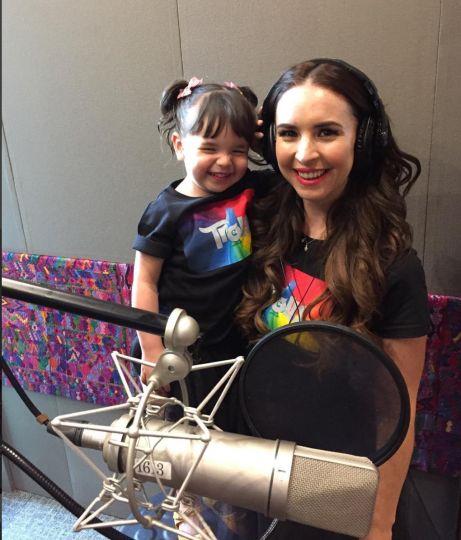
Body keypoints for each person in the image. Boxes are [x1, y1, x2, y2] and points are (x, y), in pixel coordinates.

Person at [236, 59, 430, 540]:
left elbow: (399, 409)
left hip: (341, 480)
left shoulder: (393, 263)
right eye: (288, 133)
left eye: (326, 132)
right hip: (259, 463)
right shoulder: (255, 224)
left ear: (363, 141)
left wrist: (379, 522)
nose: (305, 154)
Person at [131, 77, 275, 539]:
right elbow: (144, 282)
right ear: (179, 144)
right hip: (182, 353)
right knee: (185, 437)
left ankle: (230, 516)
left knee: (227, 437)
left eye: (238, 149)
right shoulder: (166, 210)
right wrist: (152, 352)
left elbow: (286, 169)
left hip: (231, 344)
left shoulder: (248, 188)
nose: (225, 161)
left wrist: (260, 137)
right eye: (209, 147)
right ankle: (185, 510)